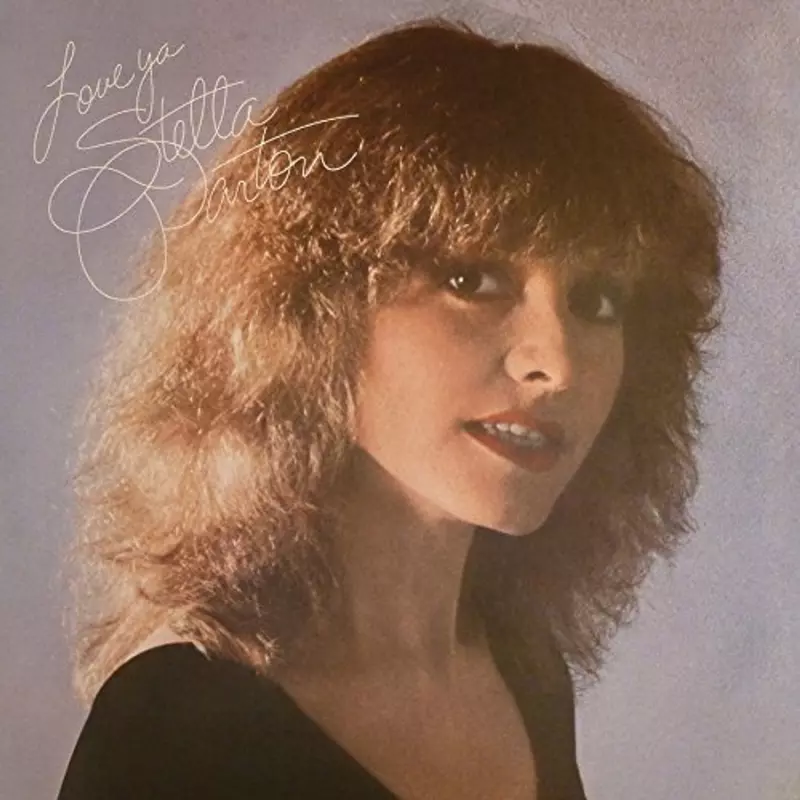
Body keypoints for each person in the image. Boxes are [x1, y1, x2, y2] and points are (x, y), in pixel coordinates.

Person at [57, 16, 723, 800]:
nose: (559, 363)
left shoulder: (526, 673)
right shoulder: (173, 728)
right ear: (305, 317)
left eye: (598, 300)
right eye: (472, 280)